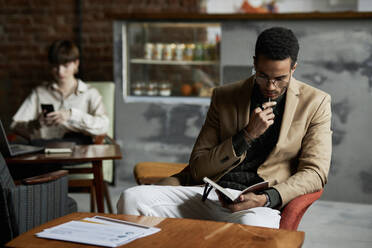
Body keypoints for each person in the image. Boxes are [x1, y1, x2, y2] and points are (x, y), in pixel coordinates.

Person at [117, 27, 332, 228]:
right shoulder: (225, 96)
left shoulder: (315, 103)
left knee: (254, 227)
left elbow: (315, 172)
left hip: (257, 204)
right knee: (132, 198)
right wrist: (247, 135)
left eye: (280, 78)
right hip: (209, 194)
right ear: (255, 63)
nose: (270, 86)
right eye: (264, 76)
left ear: (293, 68)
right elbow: (198, 167)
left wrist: (267, 198)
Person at [10, 40, 109, 177]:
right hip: (43, 150)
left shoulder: (89, 94)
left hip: (75, 151)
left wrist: (72, 115)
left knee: (25, 167)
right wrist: (36, 124)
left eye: (65, 65)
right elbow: (15, 125)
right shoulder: (39, 92)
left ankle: (35, 193)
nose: (60, 71)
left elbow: (104, 125)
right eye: (56, 66)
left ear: (76, 64)